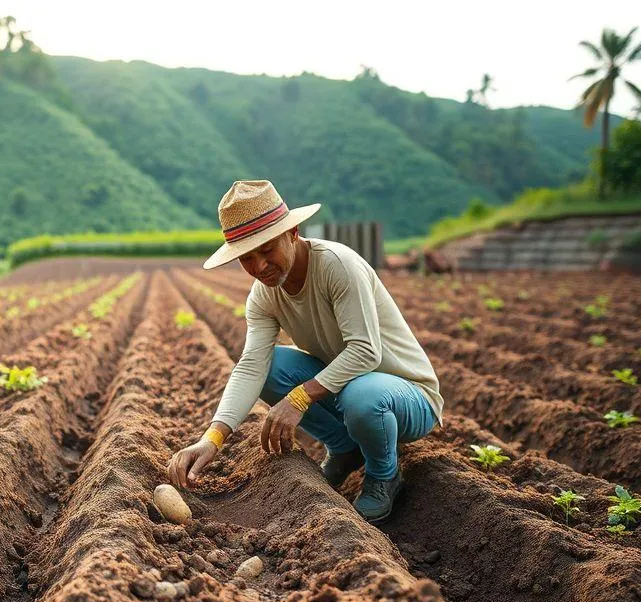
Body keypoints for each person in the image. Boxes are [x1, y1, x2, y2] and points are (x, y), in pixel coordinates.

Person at [166, 180, 443, 522]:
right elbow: (252, 365)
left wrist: (299, 398)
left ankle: (384, 475)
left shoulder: (337, 266)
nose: (259, 267)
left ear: (292, 233)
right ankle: (344, 448)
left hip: (407, 395)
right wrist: (212, 438)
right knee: (271, 366)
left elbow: (365, 352)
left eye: (267, 250)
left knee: (363, 396)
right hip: (348, 388)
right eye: (247, 258)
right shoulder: (264, 295)